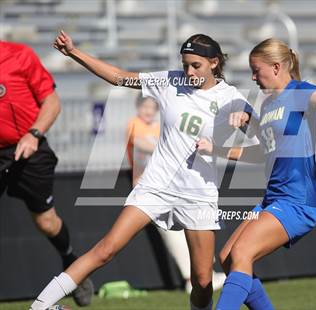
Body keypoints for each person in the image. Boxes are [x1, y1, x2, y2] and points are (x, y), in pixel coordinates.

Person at [30, 31, 251, 310]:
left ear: (215, 63)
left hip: (198, 192)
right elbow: (119, 76)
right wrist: (74, 53)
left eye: (196, 65)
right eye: (185, 64)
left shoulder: (230, 96)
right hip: (155, 186)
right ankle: (39, 306)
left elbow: (260, 134)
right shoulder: (170, 80)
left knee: (203, 281)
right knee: (106, 249)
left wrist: (245, 117)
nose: (188, 71)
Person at [196, 38, 316, 310]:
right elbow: (264, 153)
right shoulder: (266, 107)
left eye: (256, 70)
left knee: (243, 253)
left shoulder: (300, 92)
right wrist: (218, 148)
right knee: (228, 257)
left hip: (297, 201)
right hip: (273, 199)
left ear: (276, 67)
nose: (253, 77)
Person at [0, 41, 94, 307]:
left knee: (46, 222)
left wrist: (34, 134)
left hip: (29, 148)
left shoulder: (19, 55)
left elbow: (51, 102)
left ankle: (69, 259)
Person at [126, 95, 226, 294]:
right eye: (145, 106)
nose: (148, 111)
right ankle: (191, 279)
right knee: (174, 234)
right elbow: (142, 144)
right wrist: (173, 148)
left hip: (171, 185)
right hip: (149, 188)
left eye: (152, 107)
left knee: (193, 227)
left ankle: (202, 274)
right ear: (138, 107)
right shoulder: (134, 124)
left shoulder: (157, 127)